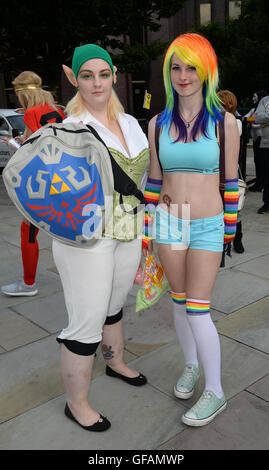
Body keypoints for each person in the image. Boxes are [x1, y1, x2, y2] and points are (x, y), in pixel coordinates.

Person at [142, 33, 239, 427]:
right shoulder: (156, 123)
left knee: (199, 310)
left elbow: (230, 182)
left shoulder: (224, 121)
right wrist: (149, 231)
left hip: (207, 226)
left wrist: (227, 233)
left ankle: (215, 391)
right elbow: (153, 182)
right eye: (176, 67)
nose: (183, 76)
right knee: (179, 303)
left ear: (206, 70)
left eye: (191, 67)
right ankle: (191, 366)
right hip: (168, 222)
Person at [54, 44, 149, 432]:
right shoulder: (67, 127)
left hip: (128, 229)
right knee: (86, 320)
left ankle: (114, 362)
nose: (97, 83)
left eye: (104, 74)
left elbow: (142, 180)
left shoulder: (129, 123)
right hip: (86, 238)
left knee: (113, 304)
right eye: (87, 75)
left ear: (113, 73)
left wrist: (149, 236)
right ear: (72, 77)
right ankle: (76, 403)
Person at [1, 71, 65, 297]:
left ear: (22, 93)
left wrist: (11, 143)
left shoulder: (31, 112)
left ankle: (28, 284)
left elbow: (30, 154)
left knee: (28, 231)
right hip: (63, 179)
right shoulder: (56, 110)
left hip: (41, 184)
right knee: (64, 231)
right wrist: (23, 139)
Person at [217, 90, 244, 254]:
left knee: (235, 205)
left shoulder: (233, 122)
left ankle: (237, 237)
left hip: (231, 169)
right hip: (217, 169)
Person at [254, 88, 269, 214]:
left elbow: (262, 119)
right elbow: (257, 118)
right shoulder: (265, 100)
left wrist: (267, 121)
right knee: (268, 176)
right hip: (266, 144)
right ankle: (268, 203)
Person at [245, 90, 266, 192]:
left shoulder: (264, 108)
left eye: (255, 96)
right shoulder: (254, 109)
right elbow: (247, 117)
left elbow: (259, 123)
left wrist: (252, 121)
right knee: (257, 162)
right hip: (255, 138)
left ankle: (261, 183)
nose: (253, 98)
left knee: (261, 162)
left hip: (262, 138)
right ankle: (259, 182)